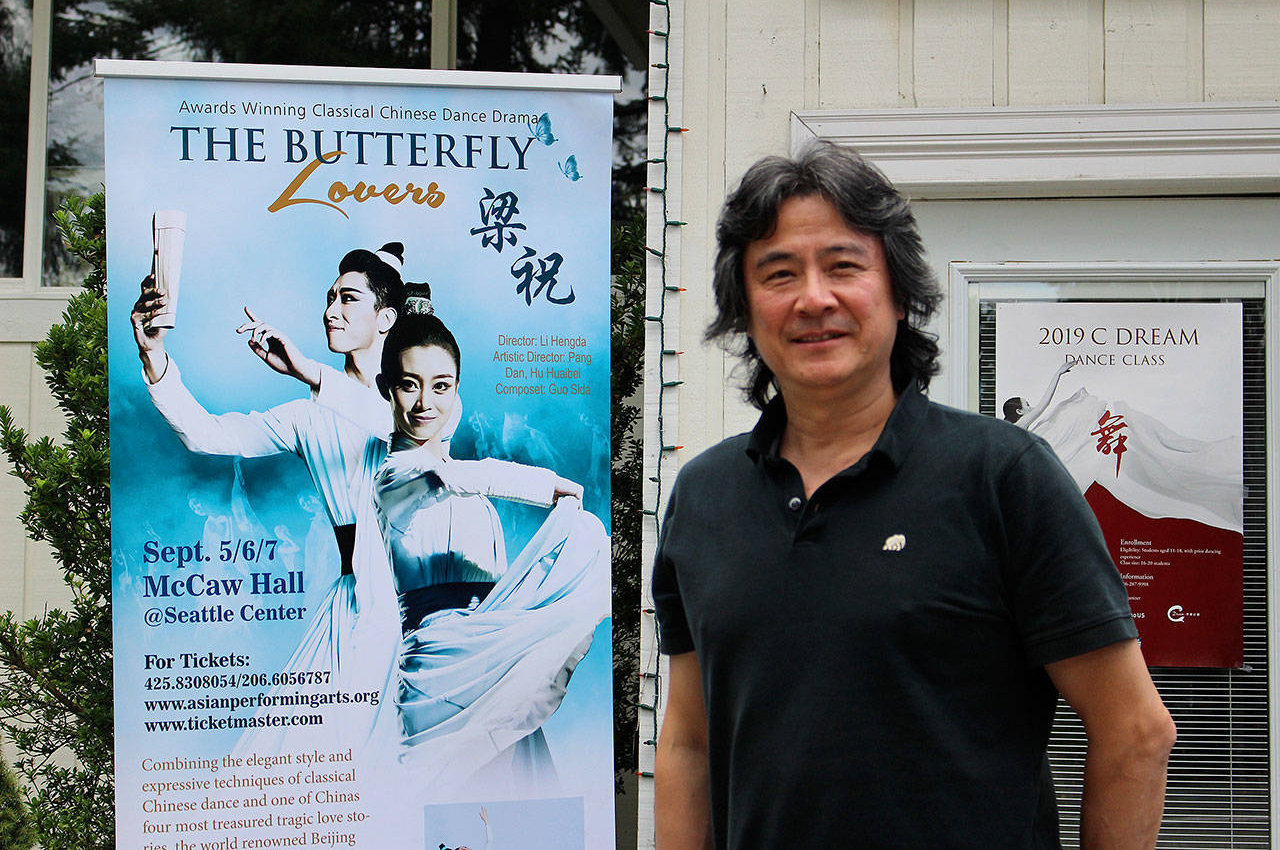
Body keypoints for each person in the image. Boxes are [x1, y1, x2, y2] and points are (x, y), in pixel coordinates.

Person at [651, 142, 1176, 848]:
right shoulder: (704, 497)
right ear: (744, 308)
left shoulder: (1003, 476)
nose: (814, 297)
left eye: (843, 266)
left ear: (899, 290)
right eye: (779, 273)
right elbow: (688, 743)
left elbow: (1135, 730)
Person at [130, 241, 409, 753]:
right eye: (329, 297)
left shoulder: (415, 393)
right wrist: (154, 354)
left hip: (414, 599)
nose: (330, 310)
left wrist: (309, 372)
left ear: (385, 316)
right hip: (351, 604)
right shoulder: (308, 416)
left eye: (348, 298)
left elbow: (394, 427)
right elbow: (206, 435)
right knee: (284, 760)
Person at [364, 288, 610, 796]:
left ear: (457, 392)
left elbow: (458, 480)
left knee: (522, 808)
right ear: (386, 389)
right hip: (437, 671)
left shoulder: (469, 488)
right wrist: (543, 484)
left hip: (497, 657)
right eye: (410, 386)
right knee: (453, 815)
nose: (425, 402)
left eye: (441, 386)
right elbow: (439, 478)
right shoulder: (391, 479)